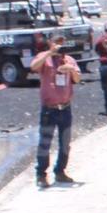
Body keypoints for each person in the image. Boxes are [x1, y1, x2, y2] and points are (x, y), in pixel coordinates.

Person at [31, 35, 81, 188]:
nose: (59, 47)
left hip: (65, 108)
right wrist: (49, 53)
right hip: (49, 109)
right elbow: (33, 67)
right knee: (45, 142)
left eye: (61, 44)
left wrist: (71, 69)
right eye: (56, 44)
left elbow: (77, 79)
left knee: (65, 143)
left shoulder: (69, 60)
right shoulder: (44, 58)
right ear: (50, 44)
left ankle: (60, 171)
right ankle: (41, 174)